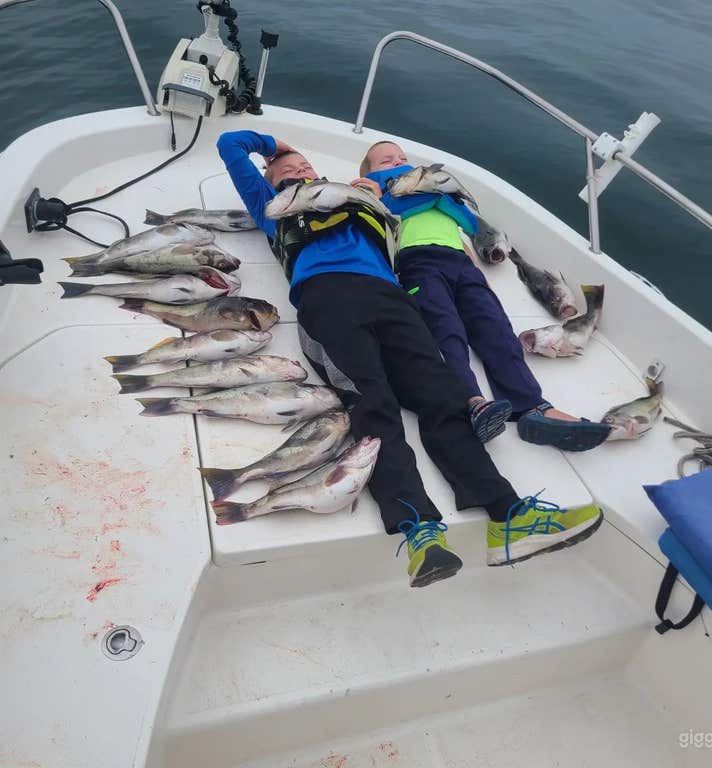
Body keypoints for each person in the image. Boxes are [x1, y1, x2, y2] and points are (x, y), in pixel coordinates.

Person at [216, 130, 603, 587]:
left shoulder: (354, 195)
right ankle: (417, 528)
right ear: (271, 181)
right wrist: (274, 144)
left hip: (391, 297)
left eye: (304, 167)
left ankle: (508, 515)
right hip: (327, 299)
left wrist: (372, 191)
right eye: (286, 170)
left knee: (444, 396)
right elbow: (229, 144)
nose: (298, 171)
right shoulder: (269, 205)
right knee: (373, 403)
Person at [355, 140, 611, 449]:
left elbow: (468, 225)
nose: (398, 162)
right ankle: (471, 402)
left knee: (496, 329)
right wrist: (422, 196)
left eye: (402, 157)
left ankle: (532, 406)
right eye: (386, 161)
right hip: (417, 263)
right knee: (445, 331)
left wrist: (476, 269)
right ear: (370, 172)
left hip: (461, 263)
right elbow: (386, 212)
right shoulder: (378, 189)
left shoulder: (438, 191)